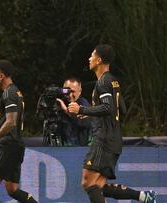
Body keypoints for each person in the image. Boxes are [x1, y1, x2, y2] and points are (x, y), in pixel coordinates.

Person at [68, 44, 157, 203]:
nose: (89, 59)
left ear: (99, 60)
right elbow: (121, 108)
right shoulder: (113, 81)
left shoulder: (103, 81)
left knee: (87, 182)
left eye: (92, 55)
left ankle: (143, 197)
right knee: (98, 186)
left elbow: (108, 108)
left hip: (104, 140)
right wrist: (93, 117)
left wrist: (82, 109)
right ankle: (143, 197)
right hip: (113, 138)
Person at [0, 60, 37, 203]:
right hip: (16, 145)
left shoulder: (9, 93)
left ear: (2, 76)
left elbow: (10, 122)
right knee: (12, 189)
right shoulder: (15, 91)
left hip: (7, 145)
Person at [56, 77, 92, 146]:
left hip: (78, 148)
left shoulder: (83, 104)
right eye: (66, 91)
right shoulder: (60, 102)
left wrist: (66, 110)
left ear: (80, 91)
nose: (69, 95)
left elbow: (85, 123)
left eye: (72, 91)